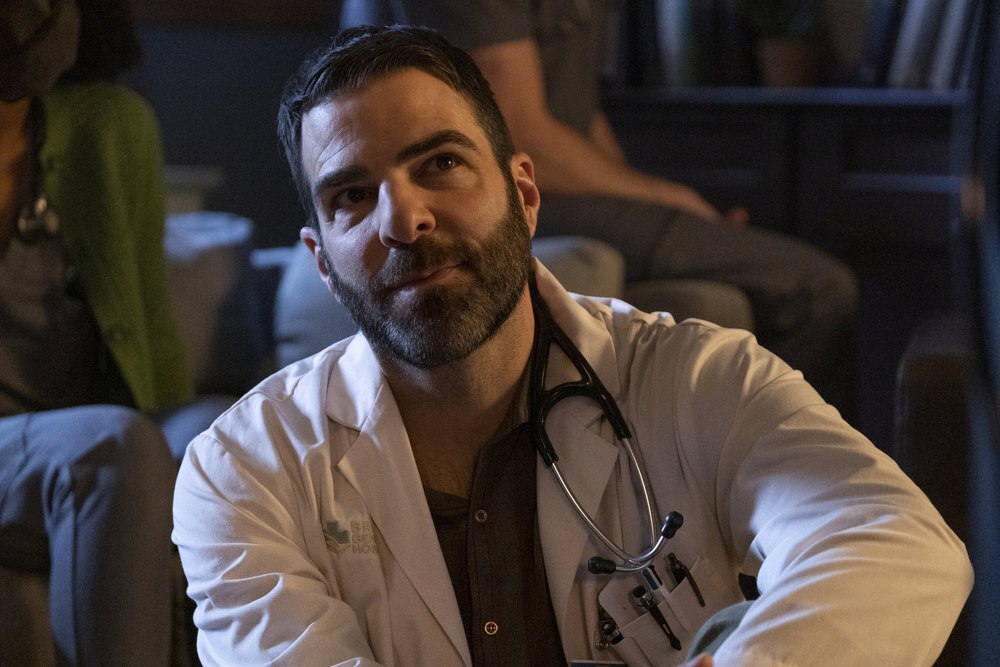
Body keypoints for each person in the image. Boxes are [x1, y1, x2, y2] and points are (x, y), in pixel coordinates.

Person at [172, 25, 971, 666]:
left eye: (441, 163)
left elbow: (892, 540)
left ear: (524, 195)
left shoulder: (698, 378)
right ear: (322, 260)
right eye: (353, 195)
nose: (404, 219)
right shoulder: (244, 471)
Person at [337, 0, 859, 417]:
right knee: (814, 287)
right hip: (504, 194)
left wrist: (654, 205)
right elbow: (519, 133)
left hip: (563, 188)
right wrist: (675, 201)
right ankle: (802, 488)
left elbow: (580, 119)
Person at [0, 0, 225, 663]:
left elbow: (152, 330)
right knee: (112, 446)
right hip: (55, 444)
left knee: (228, 436)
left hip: (89, 422)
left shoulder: (111, 127)